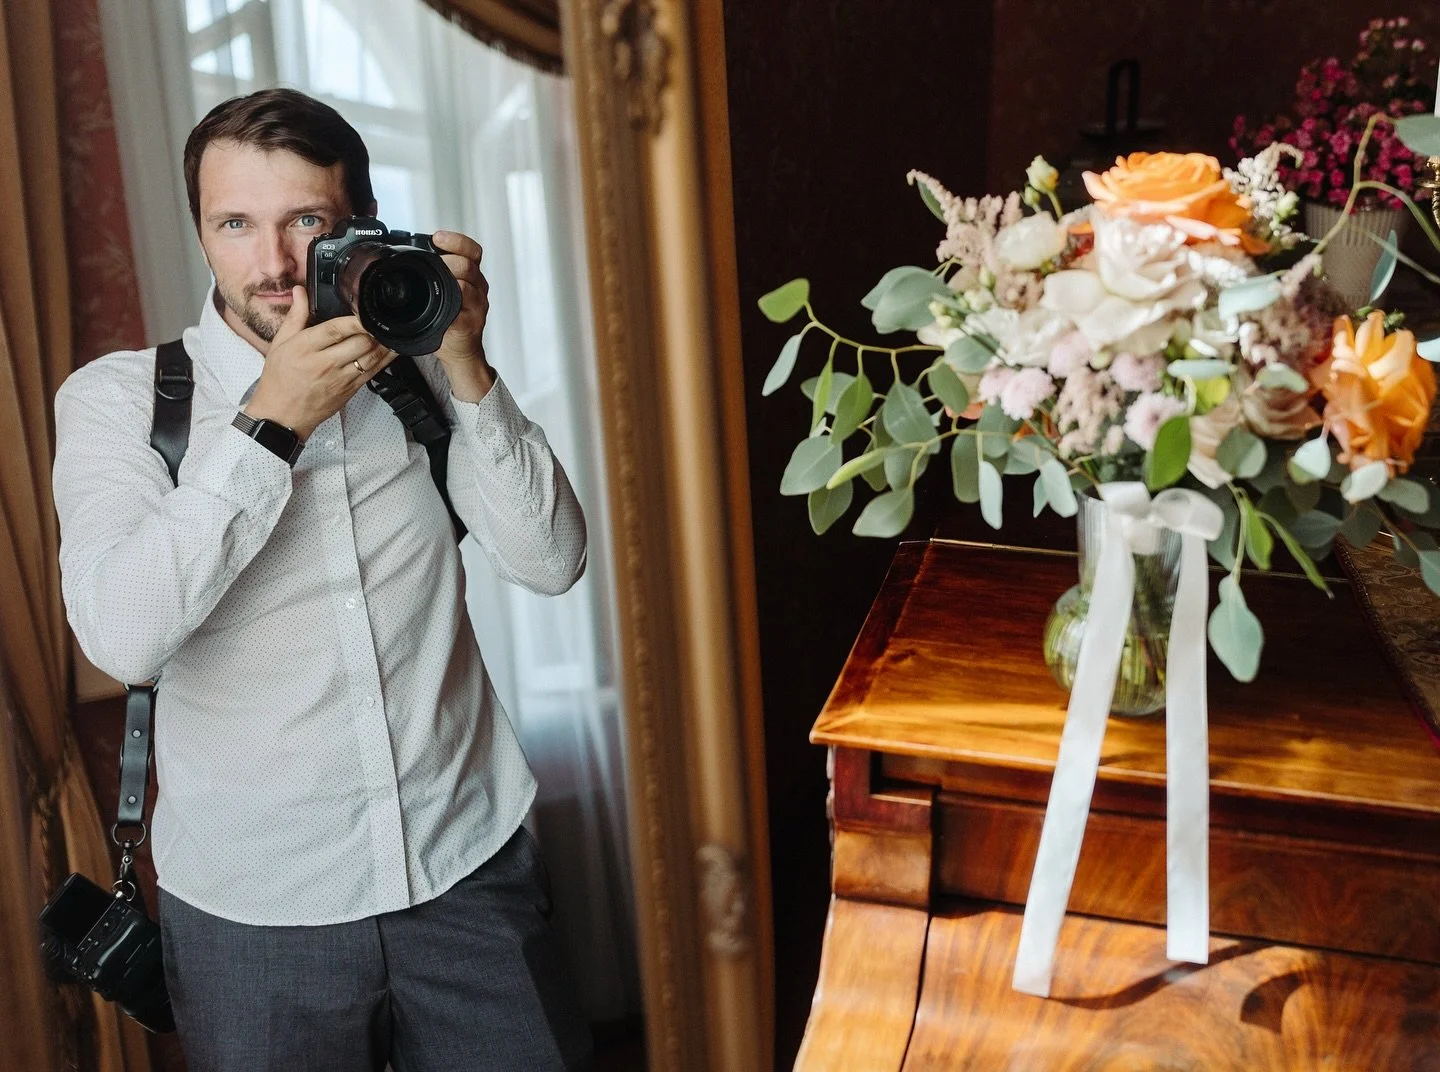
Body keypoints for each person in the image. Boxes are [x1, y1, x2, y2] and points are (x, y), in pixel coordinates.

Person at [52, 87, 592, 1071]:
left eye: (307, 222)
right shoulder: (121, 402)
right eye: (235, 224)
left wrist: (466, 361)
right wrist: (273, 421)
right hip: (255, 917)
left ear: (364, 230)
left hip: (467, 871)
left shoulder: (421, 366)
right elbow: (120, 634)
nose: (272, 264)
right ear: (201, 231)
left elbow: (553, 560)